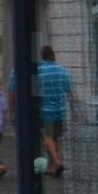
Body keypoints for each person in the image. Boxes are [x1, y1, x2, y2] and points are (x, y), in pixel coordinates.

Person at [36, 45, 73, 177]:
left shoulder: (39, 71)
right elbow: (69, 92)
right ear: (53, 55)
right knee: (55, 138)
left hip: (45, 110)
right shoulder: (63, 71)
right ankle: (51, 167)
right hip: (60, 110)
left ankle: (56, 161)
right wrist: (73, 110)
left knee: (47, 137)